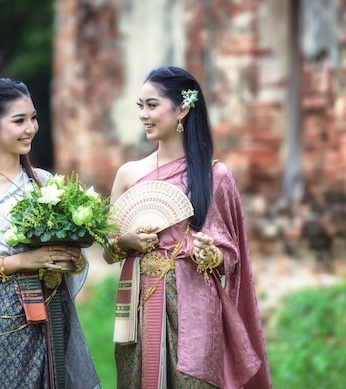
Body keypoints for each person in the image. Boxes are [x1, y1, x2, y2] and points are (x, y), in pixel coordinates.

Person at [103, 66, 272, 388]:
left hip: (195, 303)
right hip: (139, 299)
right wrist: (126, 241)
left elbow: (231, 254)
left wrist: (207, 252)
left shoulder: (215, 175)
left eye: (152, 105)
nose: (144, 115)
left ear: (182, 108)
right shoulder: (128, 173)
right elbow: (110, 250)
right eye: (140, 106)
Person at [0, 78, 100, 389]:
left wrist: (72, 260)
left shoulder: (45, 183)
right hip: (9, 312)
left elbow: (73, 258)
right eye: (18, 120)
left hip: (55, 307)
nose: (31, 128)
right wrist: (25, 261)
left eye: (33, 117)